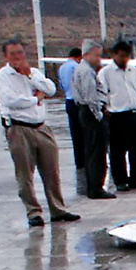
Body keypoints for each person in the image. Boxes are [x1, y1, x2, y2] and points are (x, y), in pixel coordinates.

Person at [0, 38, 79, 227]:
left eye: (20, 53)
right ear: (6, 56)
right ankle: (33, 212)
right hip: (19, 128)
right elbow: (12, 101)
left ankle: (58, 209)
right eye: (13, 54)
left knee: (51, 171)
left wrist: (31, 77)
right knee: (25, 173)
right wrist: (35, 99)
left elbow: (50, 88)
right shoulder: (1, 77)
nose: (18, 57)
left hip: (40, 126)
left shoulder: (33, 73)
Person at [100, 40, 136, 191]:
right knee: (117, 150)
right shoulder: (106, 73)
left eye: (127, 56)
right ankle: (120, 180)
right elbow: (101, 94)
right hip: (117, 116)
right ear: (114, 55)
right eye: (121, 56)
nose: (124, 59)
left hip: (134, 114)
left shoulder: (133, 70)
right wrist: (105, 111)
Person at [72, 39, 116, 200]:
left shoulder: (84, 69)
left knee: (93, 150)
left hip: (87, 111)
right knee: (97, 151)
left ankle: (94, 185)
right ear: (87, 54)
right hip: (91, 113)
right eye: (96, 55)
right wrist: (99, 114)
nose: (99, 59)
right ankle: (96, 187)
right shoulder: (86, 71)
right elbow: (90, 95)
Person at [57, 47, 86, 194]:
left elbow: (62, 85)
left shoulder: (62, 67)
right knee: (84, 133)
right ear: (79, 57)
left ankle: (78, 161)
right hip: (77, 101)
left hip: (68, 100)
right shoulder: (77, 67)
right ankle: (85, 160)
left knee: (75, 134)